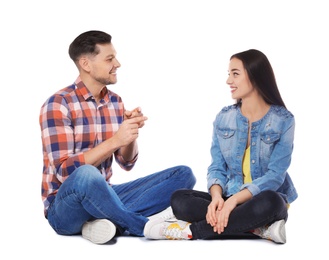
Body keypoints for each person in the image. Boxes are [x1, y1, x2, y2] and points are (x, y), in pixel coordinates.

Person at [39, 30, 196, 244]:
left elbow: (127, 163)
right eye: (110, 59)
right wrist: (115, 141)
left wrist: (130, 134)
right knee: (87, 174)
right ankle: (143, 226)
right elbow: (64, 171)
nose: (118, 64)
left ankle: (105, 223)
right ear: (86, 64)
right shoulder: (58, 104)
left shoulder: (115, 102)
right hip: (64, 207)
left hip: (105, 195)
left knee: (183, 175)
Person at [144, 49, 298, 244]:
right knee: (179, 199)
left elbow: (275, 175)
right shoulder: (224, 118)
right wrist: (217, 197)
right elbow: (217, 167)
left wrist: (233, 202)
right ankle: (258, 229)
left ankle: (191, 231)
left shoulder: (284, 120)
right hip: (228, 197)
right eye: (229, 74)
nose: (228, 81)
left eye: (235, 74)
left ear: (255, 75)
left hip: (261, 200)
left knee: (272, 202)